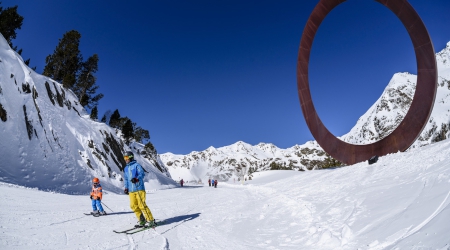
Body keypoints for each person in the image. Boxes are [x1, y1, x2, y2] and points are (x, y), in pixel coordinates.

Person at [123, 151, 156, 228]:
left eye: (126, 157)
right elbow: (126, 179)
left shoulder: (137, 165)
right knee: (133, 205)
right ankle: (142, 220)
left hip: (139, 188)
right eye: (124, 158)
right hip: (131, 190)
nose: (125, 159)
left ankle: (150, 220)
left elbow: (142, 174)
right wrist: (126, 188)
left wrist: (136, 179)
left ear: (131, 157)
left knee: (141, 205)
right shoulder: (126, 168)